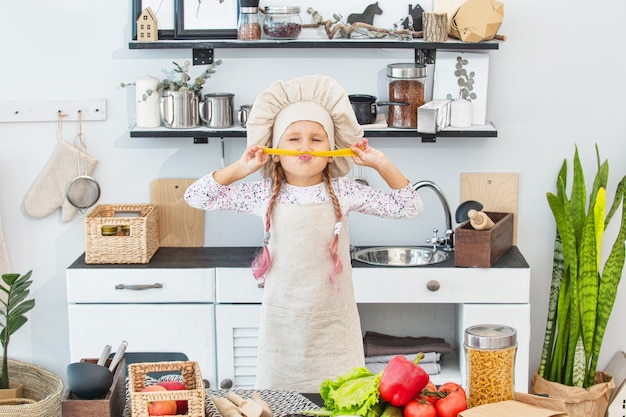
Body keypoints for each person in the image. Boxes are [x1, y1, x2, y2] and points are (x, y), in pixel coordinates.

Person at [185, 75, 423, 392]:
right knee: (280, 404)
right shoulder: (262, 193)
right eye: (293, 139)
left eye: (316, 138)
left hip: (335, 326)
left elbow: (410, 206)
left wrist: (381, 164)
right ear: (276, 150)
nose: (305, 147)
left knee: (343, 403)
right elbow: (196, 197)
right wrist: (241, 169)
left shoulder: (347, 191)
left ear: (332, 148)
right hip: (282, 327)